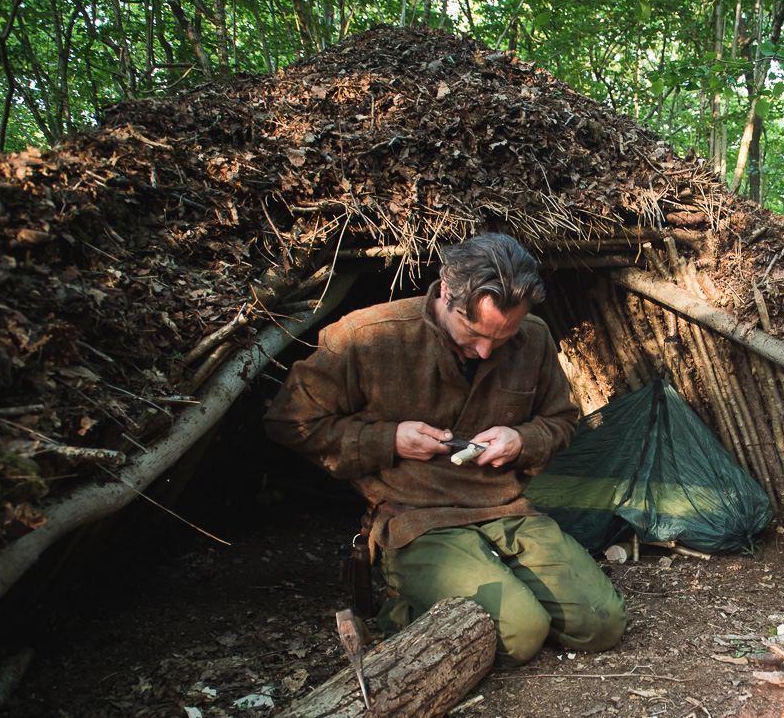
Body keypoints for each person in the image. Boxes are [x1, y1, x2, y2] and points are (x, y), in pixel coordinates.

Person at [264, 233, 626, 663]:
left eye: (503, 337)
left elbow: (562, 420)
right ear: (445, 292)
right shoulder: (366, 336)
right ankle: (402, 601)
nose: (485, 350)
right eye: (473, 332)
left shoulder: (535, 336)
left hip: (506, 510)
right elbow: (290, 422)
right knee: (522, 634)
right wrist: (389, 439)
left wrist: (522, 440)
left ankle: (497, 587)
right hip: (418, 517)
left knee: (602, 623)